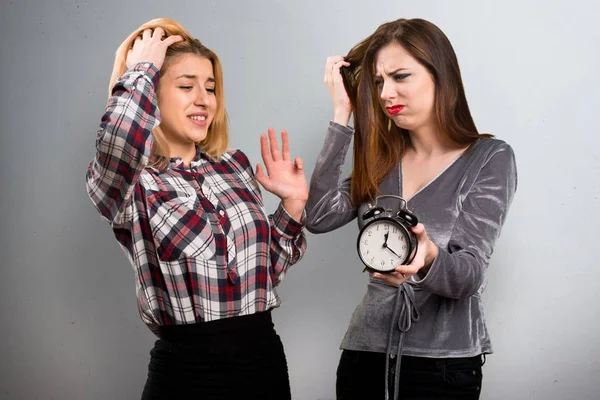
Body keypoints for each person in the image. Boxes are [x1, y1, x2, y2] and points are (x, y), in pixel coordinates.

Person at [85, 17, 308, 400]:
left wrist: (292, 206)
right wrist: (143, 67)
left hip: (264, 363)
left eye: (210, 87)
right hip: (187, 373)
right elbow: (119, 140)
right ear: (151, 94)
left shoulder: (233, 165)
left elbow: (264, 275)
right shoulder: (129, 181)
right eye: (186, 86)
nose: (203, 99)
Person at [306, 18, 517, 400]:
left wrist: (430, 257)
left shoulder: (489, 158)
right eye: (379, 82)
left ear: (441, 76)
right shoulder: (382, 160)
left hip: (442, 367)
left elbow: (470, 275)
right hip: (363, 356)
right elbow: (318, 217)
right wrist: (341, 114)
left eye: (401, 76)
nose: (387, 93)